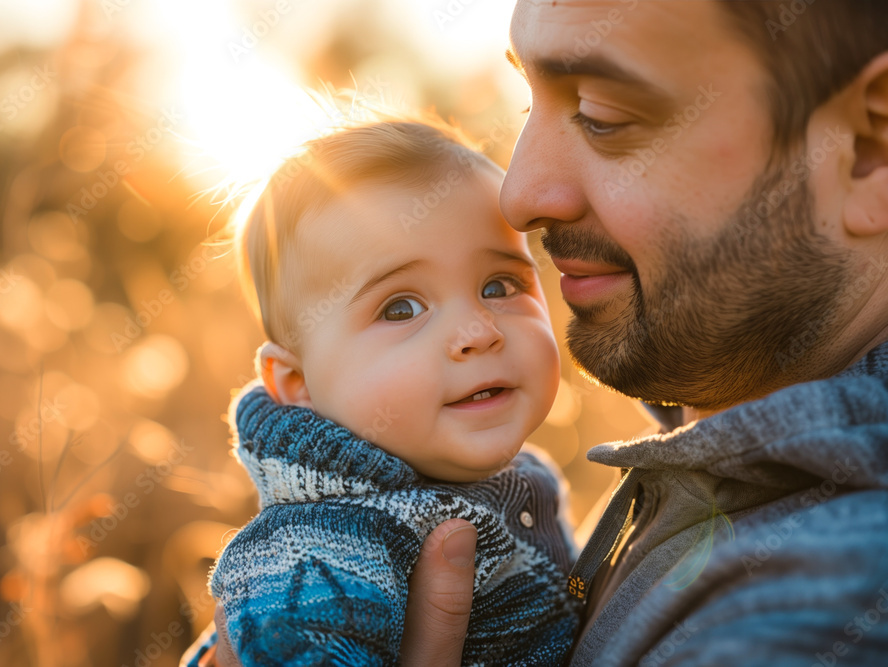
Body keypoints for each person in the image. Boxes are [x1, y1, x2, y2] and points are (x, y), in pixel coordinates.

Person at [199, 1, 888, 665]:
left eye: (601, 116)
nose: (519, 193)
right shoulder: (328, 546)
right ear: (294, 383)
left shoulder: (822, 602)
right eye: (531, 102)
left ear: (868, 147)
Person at [183, 117, 582, 666]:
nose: (479, 332)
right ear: (299, 385)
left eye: (500, 286)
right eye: (401, 308)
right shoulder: (318, 544)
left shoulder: (520, 480)